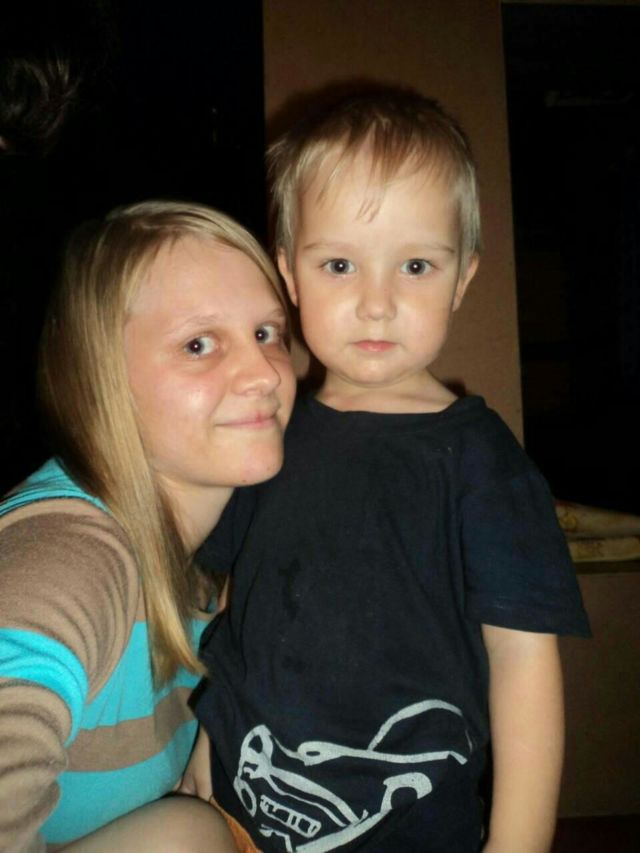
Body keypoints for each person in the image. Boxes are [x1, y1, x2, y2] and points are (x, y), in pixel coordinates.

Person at [191, 87, 591, 852]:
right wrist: (202, 758)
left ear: (462, 278)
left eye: (415, 265)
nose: (376, 303)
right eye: (340, 264)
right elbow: (241, 613)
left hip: (409, 830)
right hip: (240, 812)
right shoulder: (266, 433)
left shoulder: (482, 463)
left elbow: (523, 662)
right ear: (291, 275)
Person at [0, 199, 297, 851]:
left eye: (267, 332)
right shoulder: (66, 558)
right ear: (101, 380)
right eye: (198, 344)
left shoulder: (215, 567)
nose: (264, 373)